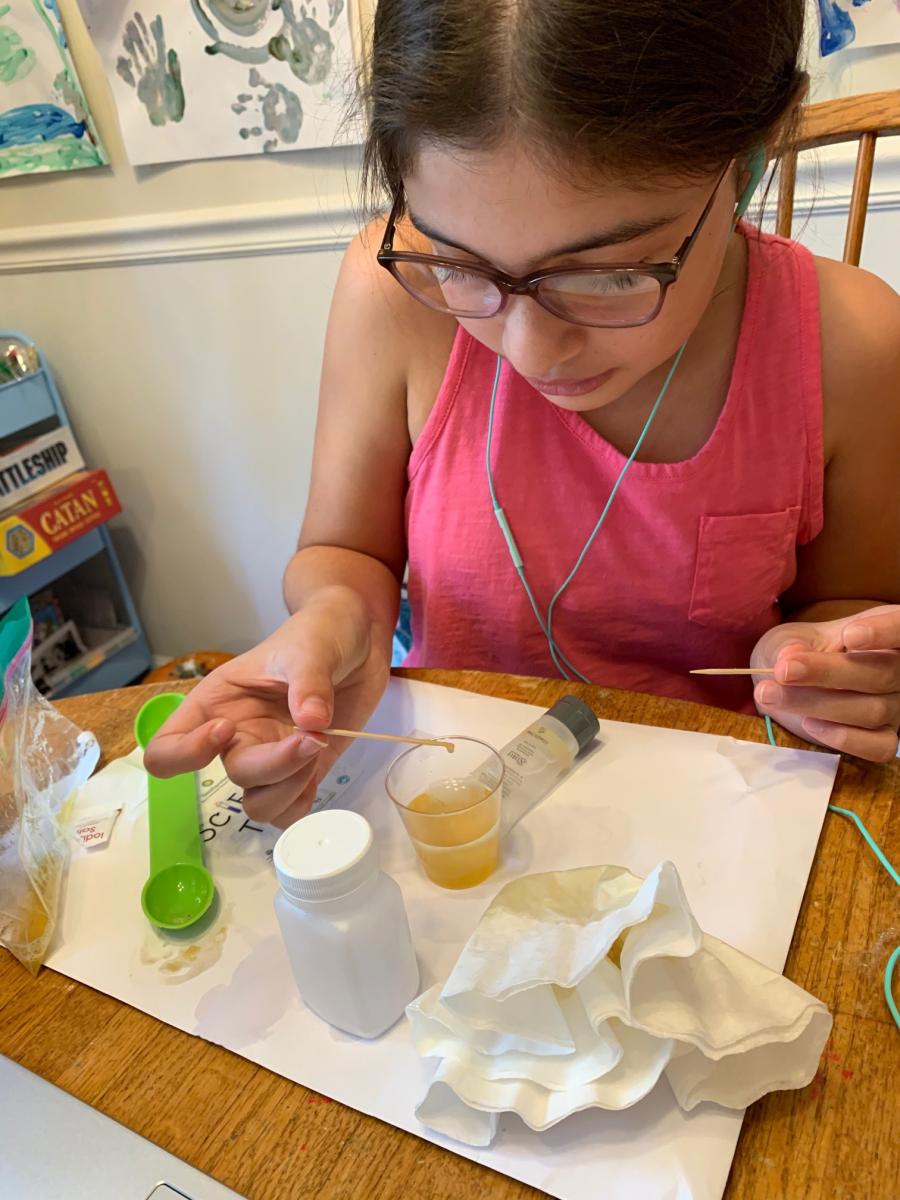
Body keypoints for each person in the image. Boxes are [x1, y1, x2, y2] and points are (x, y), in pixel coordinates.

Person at [145, 0, 900, 826]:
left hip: (718, 809)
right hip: (450, 790)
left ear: (756, 151)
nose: (532, 352)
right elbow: (343, 548)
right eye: (459, 265)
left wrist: (822, 664)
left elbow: (848, 608)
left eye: (610, 275)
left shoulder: (849, 347)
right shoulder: (392, 297)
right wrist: (334, 617)